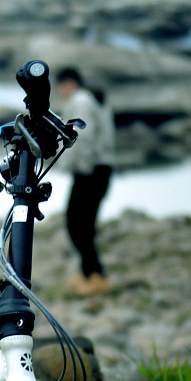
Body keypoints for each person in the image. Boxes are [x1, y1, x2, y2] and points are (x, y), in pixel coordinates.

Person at [57, 68, 116, 296]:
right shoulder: (93, 98)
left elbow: (83, 136)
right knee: (84, 225)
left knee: (76, 223)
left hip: (90, 171)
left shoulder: (80, 101)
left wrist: (78, 167)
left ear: (68, 83)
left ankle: (95, 275)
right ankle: (90, 274)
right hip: (101, 168)